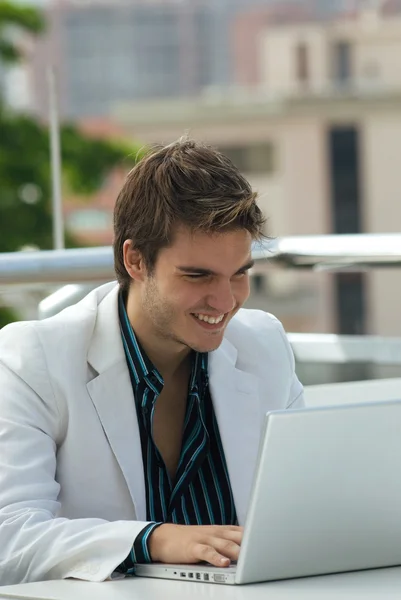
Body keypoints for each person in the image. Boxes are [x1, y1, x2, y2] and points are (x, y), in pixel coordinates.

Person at [0, 138, 304, 585]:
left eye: (240, 273)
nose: (224, 301)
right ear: (135, 260)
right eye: (197, 275)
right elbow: (9, 539)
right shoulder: (34, 360)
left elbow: (303, 511)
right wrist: (152, 540)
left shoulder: (264, 346)